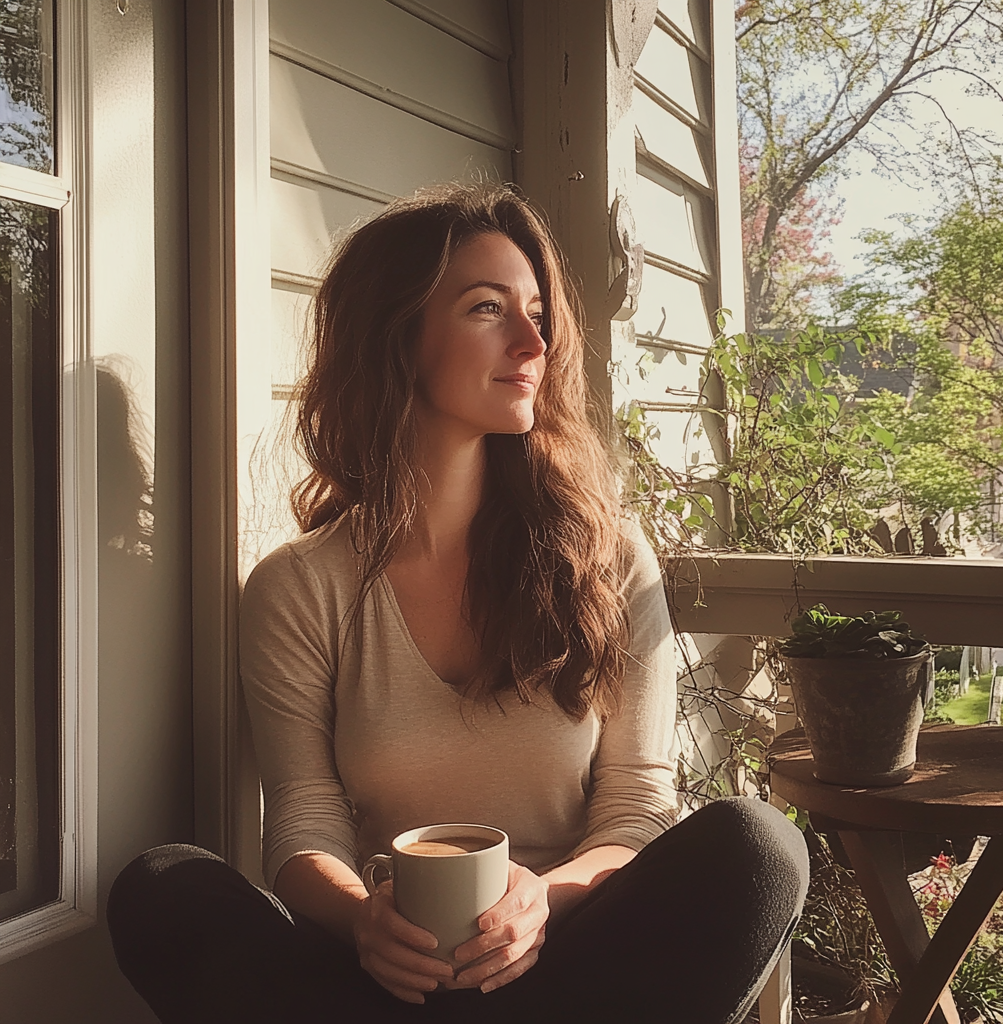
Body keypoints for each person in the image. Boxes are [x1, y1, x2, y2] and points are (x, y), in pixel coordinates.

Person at [107, 183, 808, 1024]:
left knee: (760, 847)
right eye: (488, 308)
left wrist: (540, 902)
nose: (533, 340)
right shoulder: (302, 586)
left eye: (538, 312)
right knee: (162, 888)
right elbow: (303, 818)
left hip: (568, 962)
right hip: (385, 978)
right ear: (396, 337)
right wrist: (364, 918)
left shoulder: (610, 561)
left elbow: (634, 808)